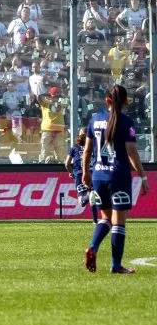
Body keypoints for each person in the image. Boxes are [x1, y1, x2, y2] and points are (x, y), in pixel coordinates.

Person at [82, 85, 150, 274]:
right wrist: (143, 177)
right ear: (126, 101)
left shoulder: (95, 120)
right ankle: (116, 265)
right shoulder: (126, 122)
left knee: (106, 218)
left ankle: (93, 247)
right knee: (118, 222)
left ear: (107, 100)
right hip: (118, 176)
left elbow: (86, 150)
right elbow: (131, 152)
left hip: (98, 176)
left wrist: (85, 173)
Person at [64, 128, 97, 224]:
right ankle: (95, 220)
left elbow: (67, 163)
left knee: (82, 201)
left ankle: (89, 196)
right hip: (92, 172)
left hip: (79, 173)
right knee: (93, 194)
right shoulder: (94, 146)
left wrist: (71, 173)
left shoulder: (74, 147)